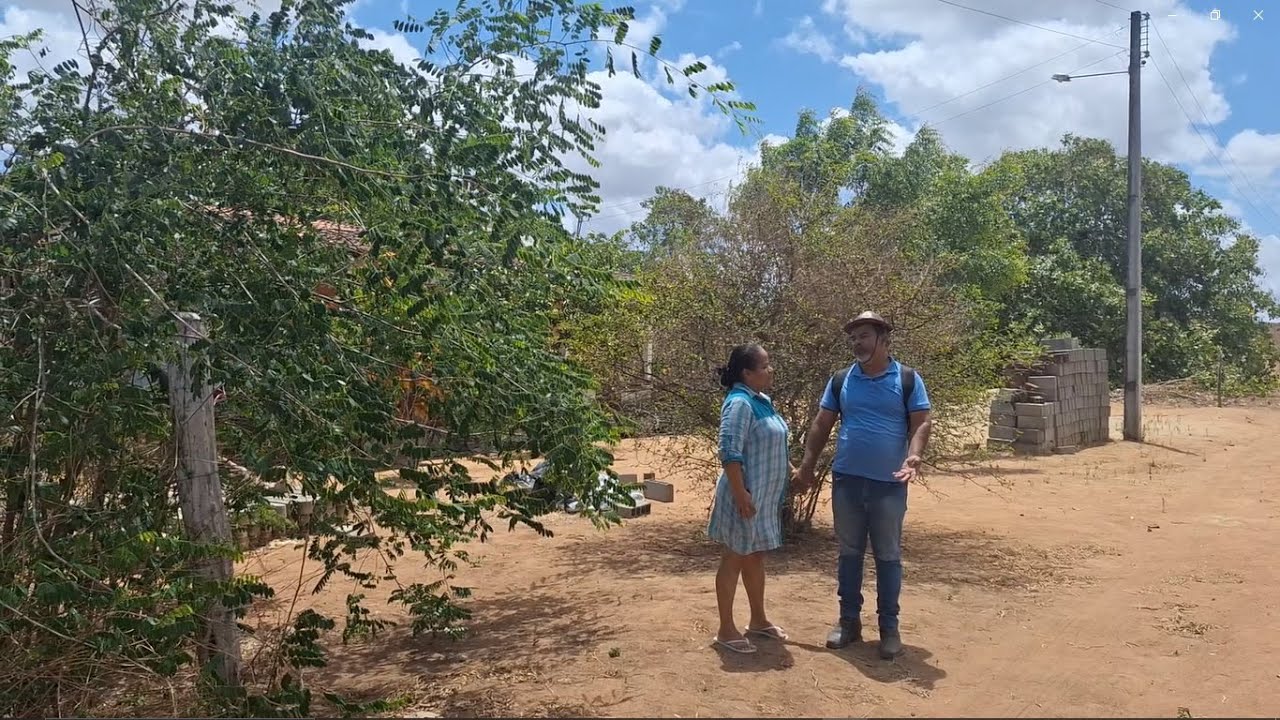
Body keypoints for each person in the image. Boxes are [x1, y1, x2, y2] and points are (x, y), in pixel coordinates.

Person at [795, 311, 932, 660]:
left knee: (887, 555)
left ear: (884, 339)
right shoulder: (841, 380)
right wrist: (808, 465)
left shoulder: (907, 379)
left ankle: (889, 628)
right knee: (849, 553)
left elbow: (921, 422)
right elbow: (822, 423)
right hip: (847, 481)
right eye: (854, 338)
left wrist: (914, 455)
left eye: (864, 336)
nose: (857, 343)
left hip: (889, 484)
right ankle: (849, 622)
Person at [706, 343, 792, 654]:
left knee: (754, 555)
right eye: (765, 366)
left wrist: (791, 470)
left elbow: (772, 440)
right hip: (743, 497)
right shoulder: (739, 403)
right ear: (747, 373)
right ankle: (726, 630)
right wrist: (741, 493)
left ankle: (758, 620)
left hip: (760, 499)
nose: (770, 370)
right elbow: (730, 451)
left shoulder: (761, 401)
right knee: (734, 557)